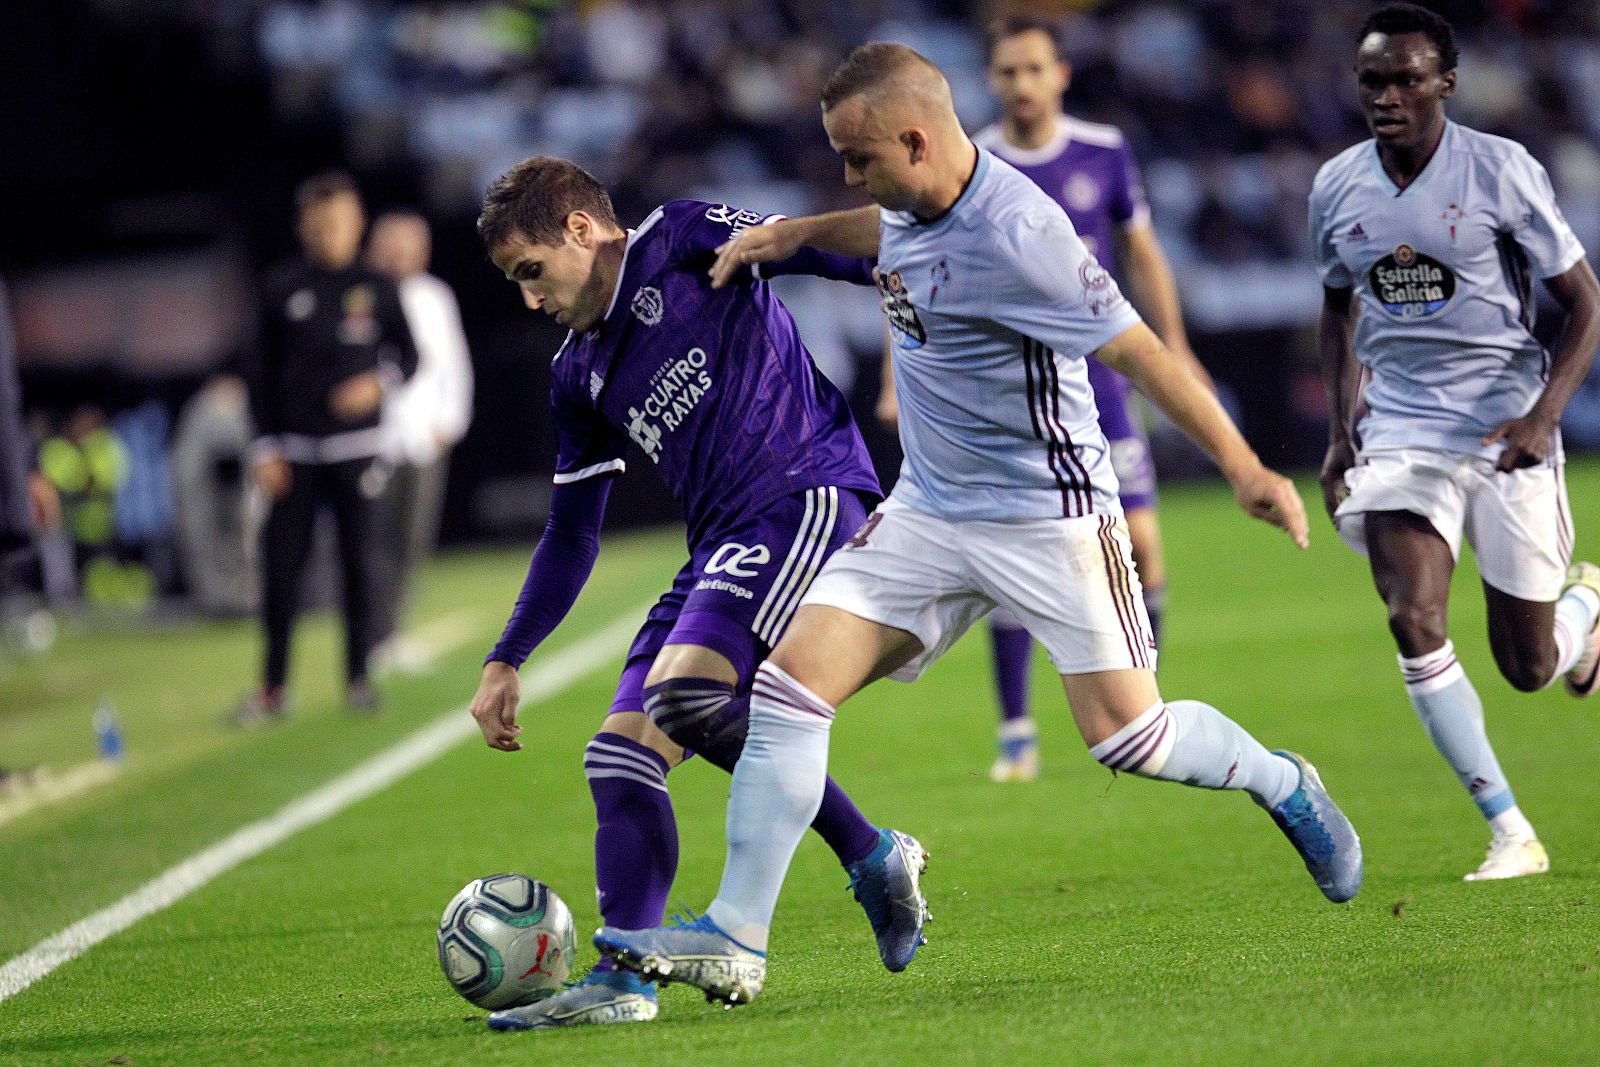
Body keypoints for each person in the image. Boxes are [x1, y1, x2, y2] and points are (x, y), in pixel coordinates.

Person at [595, 42, 1362, 1009]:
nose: (848, 175)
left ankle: (1281, 777)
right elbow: (883, 232)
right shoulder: (915, 198)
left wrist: (1247, 468)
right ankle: (738, 934)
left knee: (1131, 738)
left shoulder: (1022, 236)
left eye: (859, 157)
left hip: (1052, 518)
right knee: (788, 688)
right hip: (928, 509)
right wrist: (789, 236)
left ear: (916, 141)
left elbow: (1146, 355)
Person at [466, 156, 929, 1031]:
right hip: (722, 543)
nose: (528, 300)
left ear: (578, 230)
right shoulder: (576, 374)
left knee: (686, 696)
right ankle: (625, 980)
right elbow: (572, 534)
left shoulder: (681, 237)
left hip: (805, 493)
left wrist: (929, 298)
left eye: (530, 272)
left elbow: (846, 253)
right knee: (621, 756)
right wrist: (506, 655)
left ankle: (860, 862)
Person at [875, 16, 1212, 783]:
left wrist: (1177, 344)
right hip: (1011, 385)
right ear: (990, 83)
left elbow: (1142, 252)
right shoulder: (975, 165)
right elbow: (906, 268)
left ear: (1060, 74)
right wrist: (895, 376)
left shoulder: (1104, 150)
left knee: (1146, 544)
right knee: (1008, 568)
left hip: (1103, 375)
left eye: (1033, 69)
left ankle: (1140, 701)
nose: (1021, 85)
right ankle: (1018, 726)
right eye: (1006, 73)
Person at [1311, 4, 1600, 881]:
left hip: (1504, 425)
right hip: (1400, 429)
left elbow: (1585, 302)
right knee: (1414, 617)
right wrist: (1338, 432)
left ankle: (1585, 616)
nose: (1388, 96)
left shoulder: (1503, 171)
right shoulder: (1336, 185)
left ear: (1445, 83)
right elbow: (1335, 307)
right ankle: (1512, 828)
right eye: (1373, 81)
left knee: (1530, 664)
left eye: (1405, 79)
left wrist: (1544, 416)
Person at [238, 172, 418, 720]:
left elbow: (408, 356)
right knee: (282, 573)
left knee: (360, 567)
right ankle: (273, 688)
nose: (331, 233)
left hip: (357, 450)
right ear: (302, 226)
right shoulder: (280, 288)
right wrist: (263, 448)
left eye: (340, 222)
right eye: (320, 223)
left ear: (357, 223)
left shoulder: (377, 286)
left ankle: (359, 680)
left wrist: (377, 384)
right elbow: (259, 374)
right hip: (294, 454)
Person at [365, 211, 474, 661]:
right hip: (375, 443)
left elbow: (453, 365)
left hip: (425, 440)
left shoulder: (435, 297)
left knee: (412, 540)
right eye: (394, 242)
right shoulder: (363, 294)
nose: (403, 251)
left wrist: (449, 425)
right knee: (373, 540)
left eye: (412, 242)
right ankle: (370, 635)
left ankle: (392, 631)